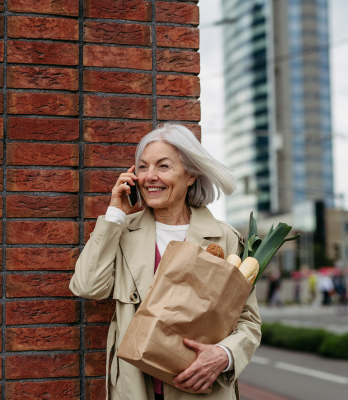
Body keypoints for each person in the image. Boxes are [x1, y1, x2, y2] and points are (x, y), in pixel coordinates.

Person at [69, 124, 262, 400]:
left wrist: (224, 354)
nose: (150, 177)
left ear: (191, 175)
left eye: (163, 166)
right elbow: (88, 286)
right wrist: (115, 214)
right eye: (143, 167)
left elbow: (249, 320)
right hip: (136, 389)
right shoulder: (122, 232)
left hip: (200, 390)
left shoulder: (225, 238)